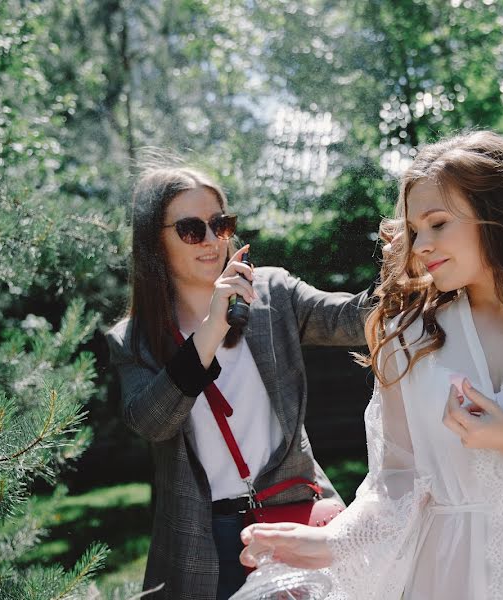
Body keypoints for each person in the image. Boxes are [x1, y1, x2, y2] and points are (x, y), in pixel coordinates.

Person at [238, 131, 503, 600]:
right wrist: (330, 542)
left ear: (496, 218)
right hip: (446, 580)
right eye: (415, 230)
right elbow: (395, 489)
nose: (420, 244)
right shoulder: (408, 339)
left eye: (437, 223)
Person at [106, 160, 373, 600]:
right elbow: (152, 423)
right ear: (156, 240)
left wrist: (412, 260)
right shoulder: (133, 340)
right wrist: (212, 327)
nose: (212, 241)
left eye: (220, 224)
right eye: (192, 229)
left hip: (293, 513)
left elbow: (353, 319)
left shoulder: (272, 293)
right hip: (203, 535)